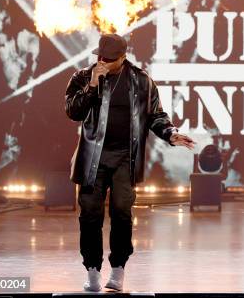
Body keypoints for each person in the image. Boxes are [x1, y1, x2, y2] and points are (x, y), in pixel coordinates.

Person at [65, 33, 195, 292]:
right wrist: (92, 85)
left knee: (122, 214)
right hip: (93, 158)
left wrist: (170, 133)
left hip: (126, 157)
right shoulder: (82, 77)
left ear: (122, 58)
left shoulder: (141, 80)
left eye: (109, 59)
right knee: (90, 215)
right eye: (100, 57)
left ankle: (118, 269)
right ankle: (92, 271)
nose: (103, 62)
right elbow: (73, 111)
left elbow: (156, 115)